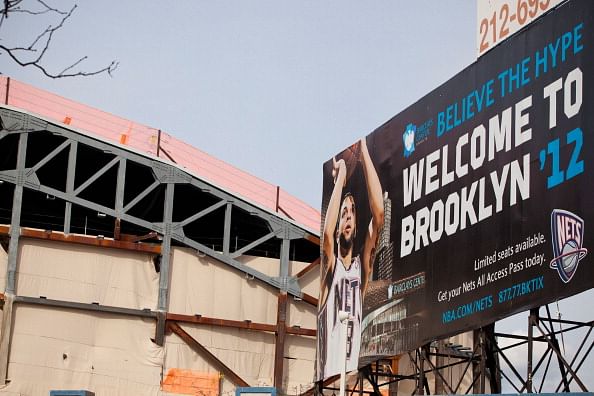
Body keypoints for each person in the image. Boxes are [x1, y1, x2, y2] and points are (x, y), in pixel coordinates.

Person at [317, 138, 384, 380]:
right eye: (343, 213)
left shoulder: (360, 268)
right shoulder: (330, 268)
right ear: (338, 227)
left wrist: (364, 151)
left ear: (355, 226)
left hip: (353, 370)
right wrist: (342, 176)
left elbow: (379, 215)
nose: (347, 217)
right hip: (331, 374)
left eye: (351, 213)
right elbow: (325, 233)